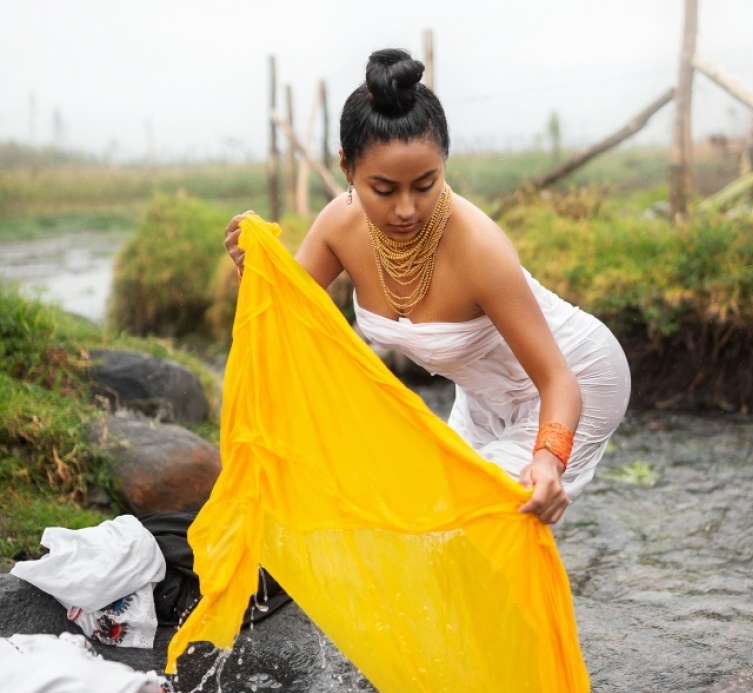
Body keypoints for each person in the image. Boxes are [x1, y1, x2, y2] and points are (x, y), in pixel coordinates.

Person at [225, 48, 630, 526]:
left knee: (481, 522)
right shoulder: (338, 230)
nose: (405, 210)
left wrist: (548, 460)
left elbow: (558, 381)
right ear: (346, 168)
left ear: (444, 164)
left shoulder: (478, 249)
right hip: (483, 397)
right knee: (433, 521)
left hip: (575, 379)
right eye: (383, 189)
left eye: (425, 185)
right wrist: (253, 269)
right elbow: (280, 320)